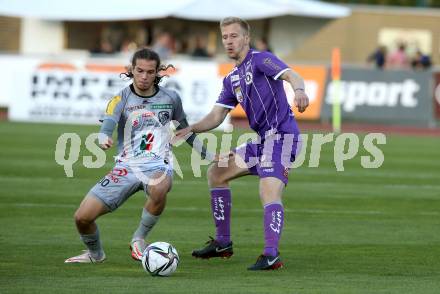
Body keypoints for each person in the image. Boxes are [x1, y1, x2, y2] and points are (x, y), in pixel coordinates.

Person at [175, 17, 309, 270]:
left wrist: (300, 90)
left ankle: (271, 254)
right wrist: (191, 128)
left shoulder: (261, 60)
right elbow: (216, 116)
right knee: (217, 173)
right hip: (262, 142)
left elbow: (291, 74)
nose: (229, 41)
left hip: (282, 137)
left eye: (234, 36)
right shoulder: (231, 79)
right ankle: (223, 243)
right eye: (225, 37)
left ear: (246, 38)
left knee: (268, 191)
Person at [65, 48, 210, 263]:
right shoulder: (120, 98)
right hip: (126, 167)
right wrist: (103, 137)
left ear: (158, 73)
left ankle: (139, 238)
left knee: (160, 186)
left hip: (157, 165)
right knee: (82, 218)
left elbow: (185, 131)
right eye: (139, 70)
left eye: (150, 72)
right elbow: (108, 124)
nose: (144, 76)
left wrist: (208, 154)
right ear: (131, 70)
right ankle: (95, 255)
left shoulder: (171, 98)